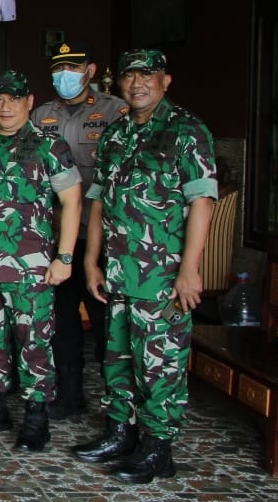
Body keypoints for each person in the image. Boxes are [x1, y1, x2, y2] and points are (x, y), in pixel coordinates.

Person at [71, 49, 217, 483]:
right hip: (118, 273)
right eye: (130, 76)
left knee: (159, 362)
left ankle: (158, 447)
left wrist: (190, 269)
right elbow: (98, 199)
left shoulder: (186, 131)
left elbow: (202, 202)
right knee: (116, 356)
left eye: (147, 75)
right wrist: (91, 261)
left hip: (162, 277)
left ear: (165, 81)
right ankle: (121, 432)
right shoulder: (116, 133)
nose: (137, 84)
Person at [0, 69, 81, 453]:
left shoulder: (49, 145)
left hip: (32, 269)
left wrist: (65, 257)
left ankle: (36, 417)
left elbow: (72, 201)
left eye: (14, 98)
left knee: (34, 342)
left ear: (29, 102)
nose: (5, 106)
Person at [30, 40, 129, 420]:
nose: (64, 75)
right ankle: (69, 394)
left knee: (108, 322)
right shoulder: (41, 115)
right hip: (55, 238)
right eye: (58, 69)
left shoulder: (115, 112)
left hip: (104, 239)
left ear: (90, 70)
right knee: (62, 320)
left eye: (72, 68)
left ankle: (117, 403)